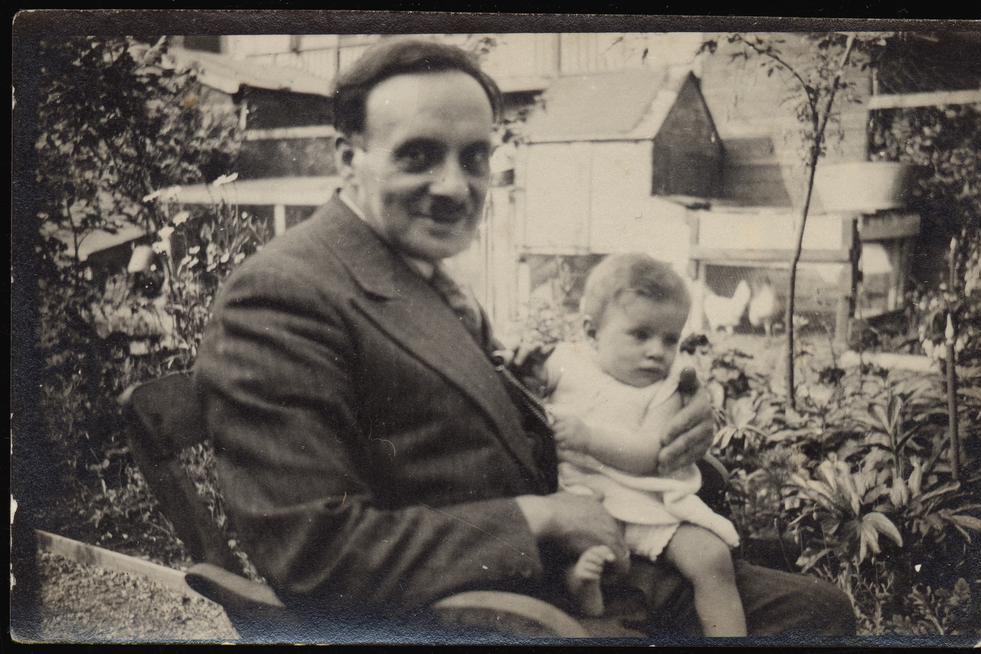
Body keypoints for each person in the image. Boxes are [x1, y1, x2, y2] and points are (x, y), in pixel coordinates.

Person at [193, 37, 856, 639]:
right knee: (812, 620)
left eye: (474, 158)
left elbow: (519, 427)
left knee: (817, 609)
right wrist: (540, 519)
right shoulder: (284, 295)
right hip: (484, 617)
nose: (454, 186)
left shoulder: (418, 277)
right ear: (349, 158)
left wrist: (665, 426)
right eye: (418, 156)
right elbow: (314, 553)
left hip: (567, 576)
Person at [540, 253, 744, 635]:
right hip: (579, 499)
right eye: (640, 335)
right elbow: (525, 389)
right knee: (566, 550)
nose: (657, 351)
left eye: (670, 339)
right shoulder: (565, 362)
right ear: (592, 333)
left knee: (712, 558)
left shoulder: (665, 388)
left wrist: (589, 439)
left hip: (643, 503)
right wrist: (527, 370)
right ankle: (582, 583)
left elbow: (653, 455)